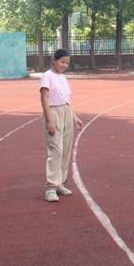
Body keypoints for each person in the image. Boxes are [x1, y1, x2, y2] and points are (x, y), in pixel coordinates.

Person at [40, 49, 82, 202]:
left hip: (66, 112)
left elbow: (66, 100)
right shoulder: (47, 76)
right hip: (53, 112)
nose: (64, 65)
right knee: (56, 150)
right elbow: (44, 98)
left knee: (65, 150)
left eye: (67, 63)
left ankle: (60, 183)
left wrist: (74, 117)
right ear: (54, 60)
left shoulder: (63, 78)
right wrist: (50, 120)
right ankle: (50, 187)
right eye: (62, 62)